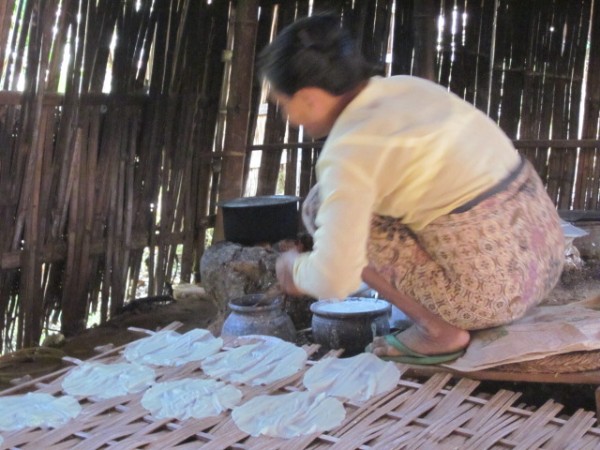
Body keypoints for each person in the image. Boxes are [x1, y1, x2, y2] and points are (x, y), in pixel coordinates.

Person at [259, 14, 565, 364]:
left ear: (311, 98)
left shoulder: (349, 150)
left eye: (284, 104)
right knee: (340, 203)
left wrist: (295, 270)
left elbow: (334, 279)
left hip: (496, 295)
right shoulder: (406, 87)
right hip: (545, 259)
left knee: (319, 207)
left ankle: (438, 331)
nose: (286, 115)